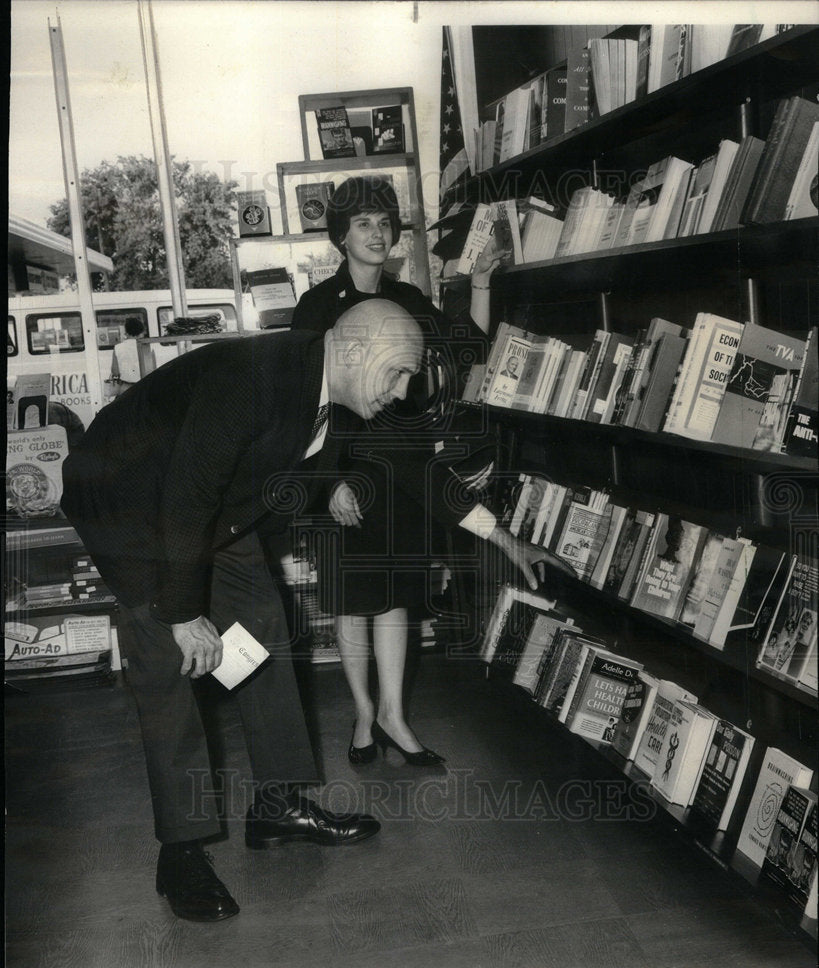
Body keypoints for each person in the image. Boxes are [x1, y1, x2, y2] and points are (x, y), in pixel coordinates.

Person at [60, 299, 552, 923]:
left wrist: (505, 538)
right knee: (169, 665)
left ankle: (278, 806)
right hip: (127, 503)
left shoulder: (346, 396)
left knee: (263, 625)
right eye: (398, 374)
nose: (404, 393)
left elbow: (416, 467)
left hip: (208, 510)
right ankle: (179, 852)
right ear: (354, 351)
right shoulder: (251, 380)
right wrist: (184, 615)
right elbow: (183, 496)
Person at [290, 176, 507, 768]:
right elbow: (305, 402)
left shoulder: (408, 297)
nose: (378, 233)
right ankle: (363, 712)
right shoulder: (316, 308)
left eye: (384, 223)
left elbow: (468, 343)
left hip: (403, 471)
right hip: (341, 471)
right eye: (363, 223)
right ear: (340, 237)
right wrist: (329, 481)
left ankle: (393, 715)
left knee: (396, 599)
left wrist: (481, 282)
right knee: (349, 600)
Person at [109, 316, 146, 394]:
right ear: (140, 331)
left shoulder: (117, 347)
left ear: (126, 331)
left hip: (126, 389)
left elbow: (115, 371)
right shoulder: (145, 346)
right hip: (143, 386)